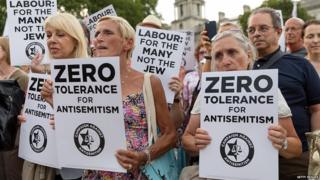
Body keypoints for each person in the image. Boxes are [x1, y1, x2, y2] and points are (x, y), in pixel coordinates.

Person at [180, 30, 302, 180]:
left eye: (232, 52)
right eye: (218, 56)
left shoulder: (268, 89)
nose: (225, 61)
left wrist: (282, 142)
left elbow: (296, 148)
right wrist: (196, 143)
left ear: (249, 56)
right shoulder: (208, 91)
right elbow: (187, 138)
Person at [67, 15, 176, 179]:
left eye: (107, 33)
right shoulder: (84, 83)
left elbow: (170, 134)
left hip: (137, 174)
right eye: (96, 34)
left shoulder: (149, 82)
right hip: (96, 173)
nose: (99, 39)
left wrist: (144, 156)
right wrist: (54, 103)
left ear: (128, 43)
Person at [247, 7, 320, 179]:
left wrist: (316, 150)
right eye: (251, 30)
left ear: (278, 31)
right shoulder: (242, 69)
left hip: (293, 158)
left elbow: (316, 109)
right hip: (251, 157)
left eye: (263, 28)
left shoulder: (301, 65)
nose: (256, 34)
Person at [21, 12, 88, 180]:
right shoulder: (46, 76)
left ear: (75, 39)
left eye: (60, 34)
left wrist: (63, 116)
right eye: (49, 35)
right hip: (48, 166)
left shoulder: (93, 75)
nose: (51, 40)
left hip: (79, 170)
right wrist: (26, 118)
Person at [0, 36, 28, 180]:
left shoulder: (21, 77)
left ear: (5, 51)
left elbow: (29, 107)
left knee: (13, 173)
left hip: (15, 137)